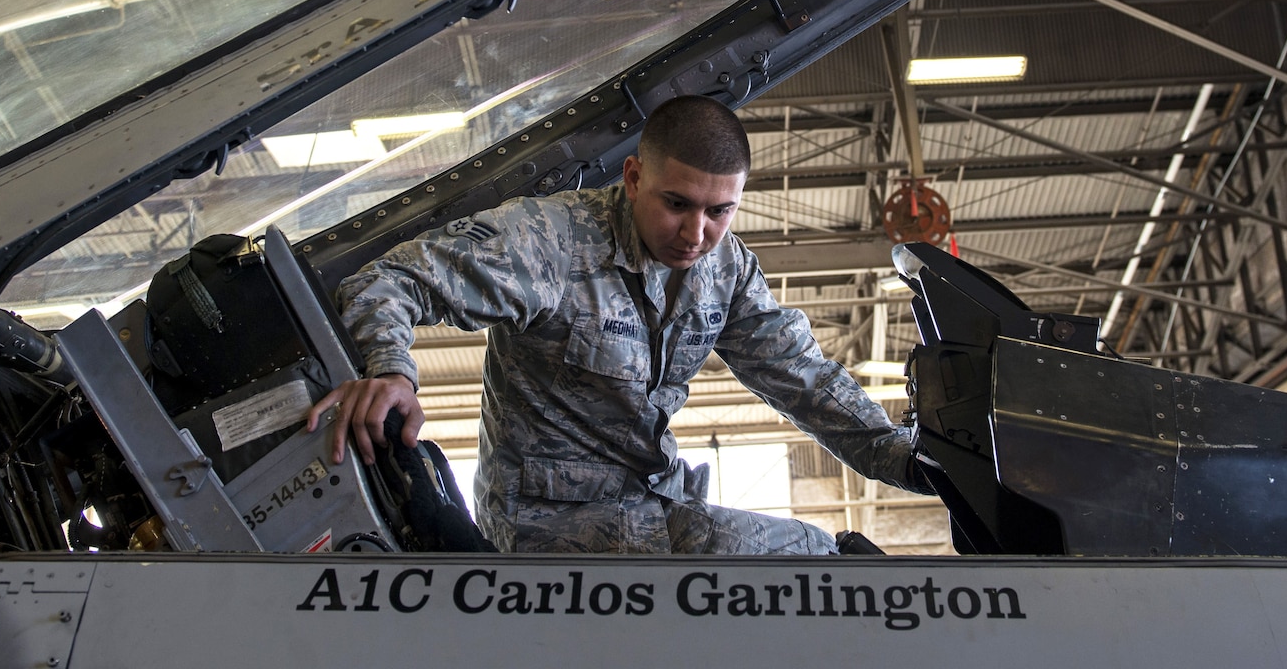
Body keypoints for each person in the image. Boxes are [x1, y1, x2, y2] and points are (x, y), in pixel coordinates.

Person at [307, 94, 927, 554]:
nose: (696, 234)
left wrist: (907, 461)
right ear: (633, 178)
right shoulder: (547, 241)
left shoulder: (726, 268)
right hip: (544, 525)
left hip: (657, 504)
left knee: (830, 565)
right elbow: (386, 280)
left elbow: (803, 379)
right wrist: (391, 371)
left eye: (720, 211)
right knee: (818, 560)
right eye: (676, 204)